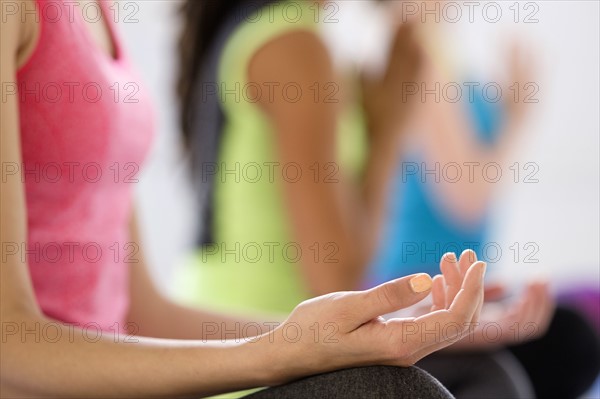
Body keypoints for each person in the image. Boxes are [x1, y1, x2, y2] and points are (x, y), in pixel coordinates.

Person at [0, 0, 488, 397]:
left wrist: (362, 333)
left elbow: (140, 312)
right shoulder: (293, 44)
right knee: (402, 392)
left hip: (144, 362)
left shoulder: (99, 14)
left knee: (496, 367)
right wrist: (280, 351)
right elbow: (8, 340)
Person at [367, 11, 600, 399]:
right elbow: (467, 198)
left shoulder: (439, 54)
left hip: (455, 289)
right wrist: (518, 117)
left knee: (577, 319)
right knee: (573, 337)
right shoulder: (417, 57)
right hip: (421, 288)